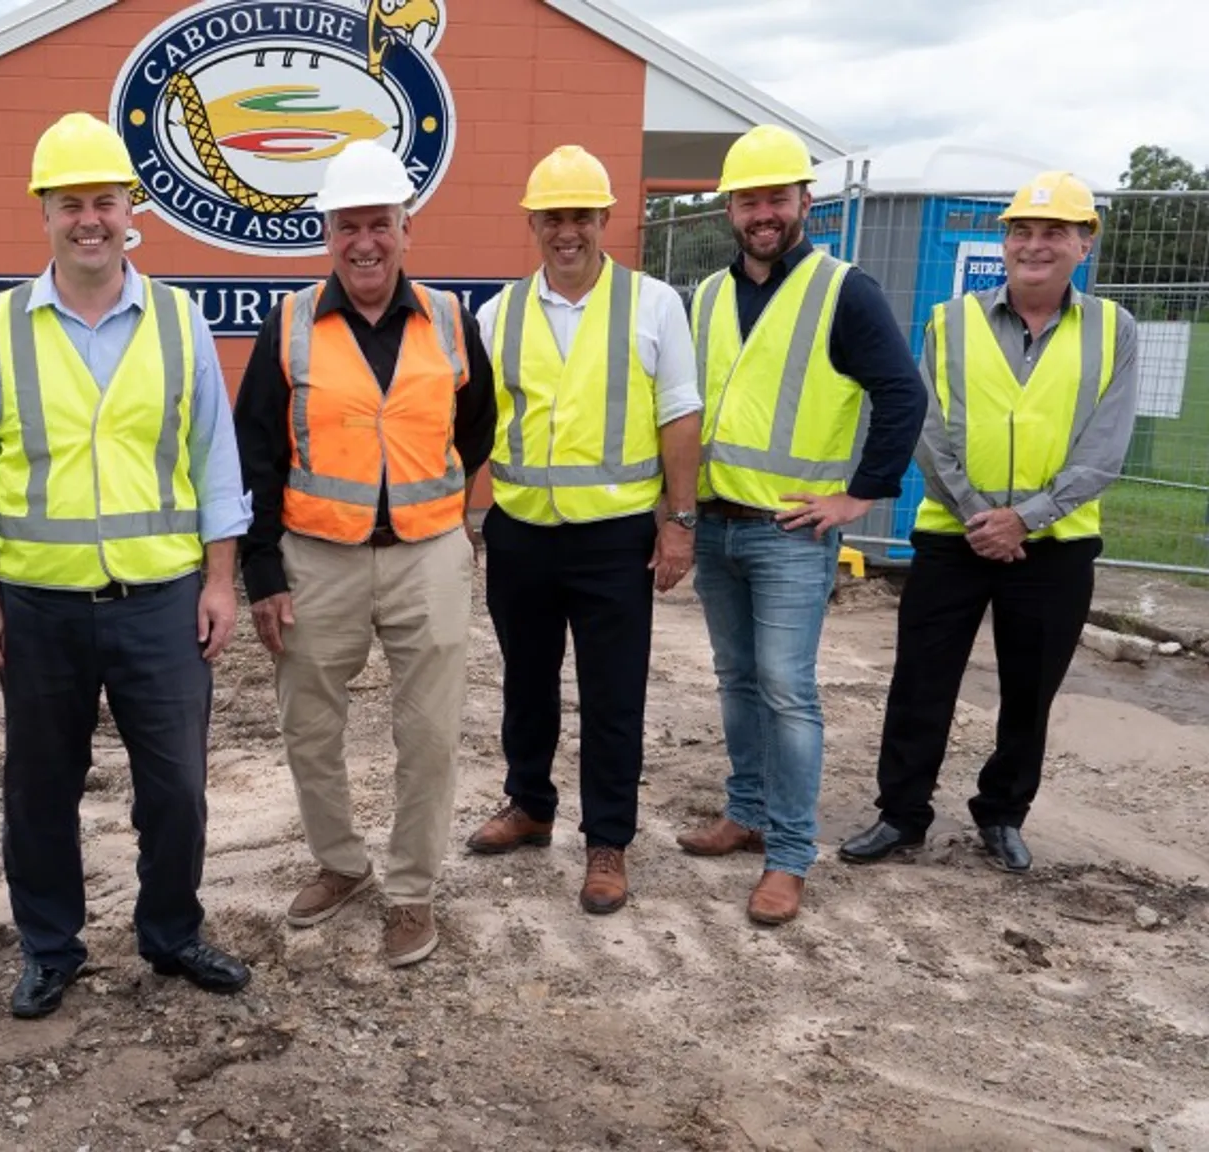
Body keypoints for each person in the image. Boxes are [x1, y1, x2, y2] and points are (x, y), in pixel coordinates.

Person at [0, 112, 253, 1019]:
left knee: (178, 790)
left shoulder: (179, 321)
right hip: (38, 607)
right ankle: (50, 949)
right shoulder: (0, 328)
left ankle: (171, 933)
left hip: (159, 600)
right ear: (44, 213)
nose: (89, 219)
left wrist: (219, 582)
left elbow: (215, 463)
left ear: (131, 212)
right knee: (39, 794)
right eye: (70, 203)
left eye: (105, 202)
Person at [233, 140, 496, 966]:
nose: (365, 242)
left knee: (430, 735)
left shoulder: (449, 321)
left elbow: (477, 426)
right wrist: (263, 572)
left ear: (405, 229)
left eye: (379, 224)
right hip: (317, 559)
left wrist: (437, 503)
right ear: (328, 234)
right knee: (310, 727)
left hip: (428, 556)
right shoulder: (291, 326)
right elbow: (255, 454)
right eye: (348, 226)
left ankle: (412, 893)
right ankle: (342, 864)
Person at [840, 172, 1137, 875]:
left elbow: (1105, 447)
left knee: (1029, 692)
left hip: (1055, 545)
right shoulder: (951, 321)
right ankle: (901, 814)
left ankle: (1002, 813)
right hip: (954, 537)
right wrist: (980, 516)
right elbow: (928, 427)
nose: (1034, 245)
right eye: (1021, 232)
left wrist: (1026, 520)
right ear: (1004, 243)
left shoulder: (1113, 330)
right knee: (921, 682)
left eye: (1054, 232)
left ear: (1084, 245)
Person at [673, 124, 925, 926]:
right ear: (729, 210)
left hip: (790, 533)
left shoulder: (843, 291)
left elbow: (903, 394)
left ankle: (788, 855)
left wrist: (860, 496)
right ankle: (745, 812)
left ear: (804, 202)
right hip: (717, 525)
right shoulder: (707, 297)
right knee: (737, 679)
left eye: (776, 198)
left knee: (787, 691)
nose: (763, 214)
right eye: (749, 200)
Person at [461, 145, 702, 915]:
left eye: (581, 217)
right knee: (525, 685)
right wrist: (460, 517)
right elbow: (472, 425)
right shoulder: (497, 315)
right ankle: (530, 805)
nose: (567, 232)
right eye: (553, 218)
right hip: (522, 533)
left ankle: (607, 842)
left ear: (605, 220)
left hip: (615, 538)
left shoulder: (653, 304)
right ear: (532, 224)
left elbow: (680, 416)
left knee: (612, 697)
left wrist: (679, 523)